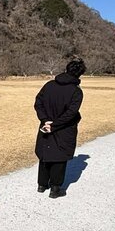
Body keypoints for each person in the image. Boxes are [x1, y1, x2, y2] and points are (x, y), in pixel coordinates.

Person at [34, 58, 86, 198]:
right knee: (59, 156)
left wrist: (45, 120)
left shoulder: (49, 85)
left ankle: (42, 184)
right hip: (64, 128)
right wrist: (54, 124)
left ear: (66, 69)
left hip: (45, 125)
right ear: (80, 74)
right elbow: (71, 113)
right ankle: (55, 188)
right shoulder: (76, 91)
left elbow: (38, 103)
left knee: (46, 152)